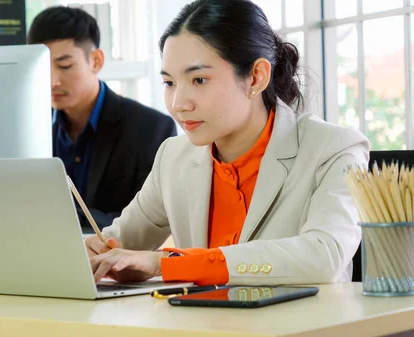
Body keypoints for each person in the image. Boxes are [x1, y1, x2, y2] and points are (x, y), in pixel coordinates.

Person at [85, 0, 369, 286]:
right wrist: (91, 253)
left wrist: (170, 264)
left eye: (199, 80)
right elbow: (115, 241)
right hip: (197, 328)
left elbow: (324, 256)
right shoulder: (174, 157)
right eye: (169, 83)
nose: (178, 104)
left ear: (256, 77)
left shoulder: (334, 148)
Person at [27, 7, 177, 229]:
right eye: (42, 68)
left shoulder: (151, 129)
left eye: (64, 66)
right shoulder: (30, 129)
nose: (52, 81)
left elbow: (152, 223)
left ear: (96, 61)